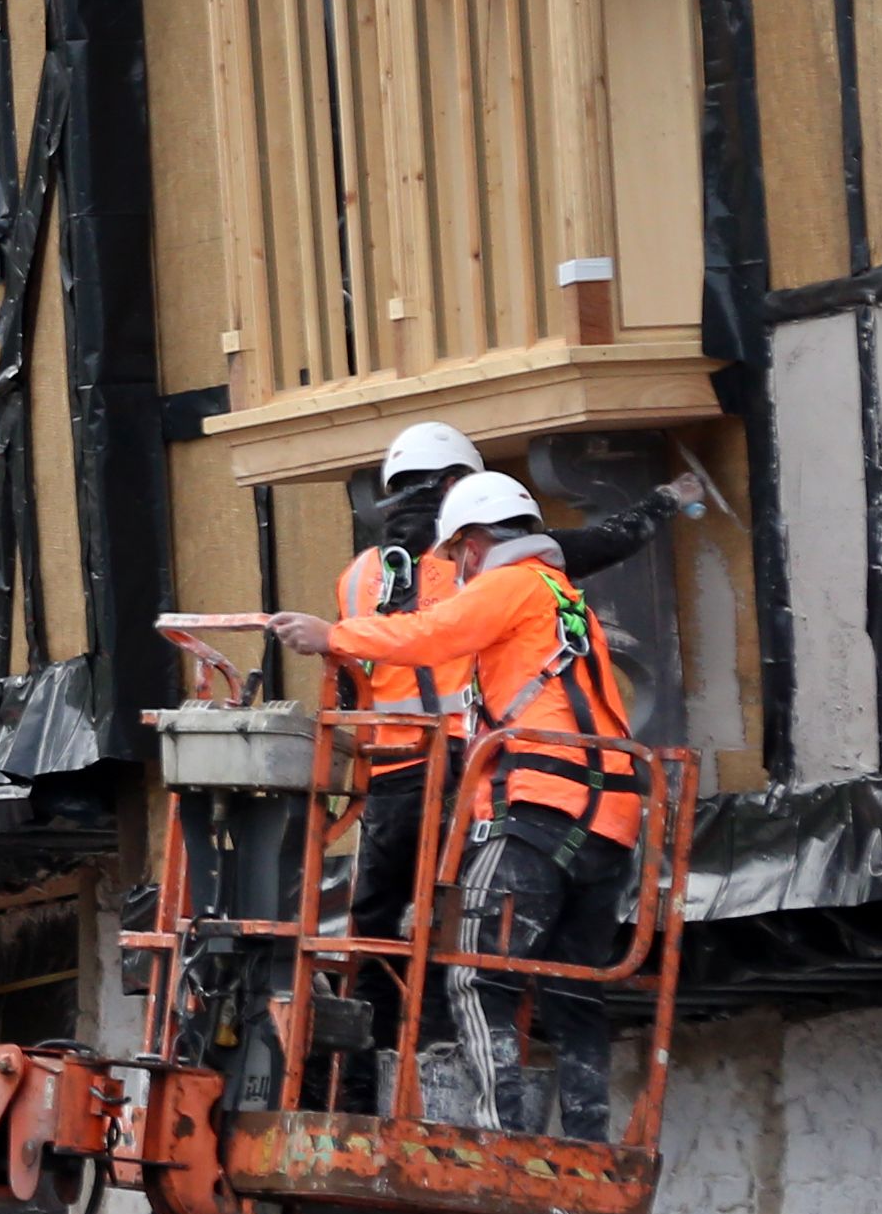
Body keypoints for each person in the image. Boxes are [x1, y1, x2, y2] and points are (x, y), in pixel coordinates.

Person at [274, 471, 647, 1135]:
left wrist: (331, 636)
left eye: (458, 555)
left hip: (540, 806)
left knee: (478, 974)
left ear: (474, 544)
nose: (458, 567)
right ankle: (589, 1137)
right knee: (570, 988)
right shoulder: (567, 598)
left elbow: (429, 634)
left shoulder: (509, 584)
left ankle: (500, 1139)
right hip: (612, 819)